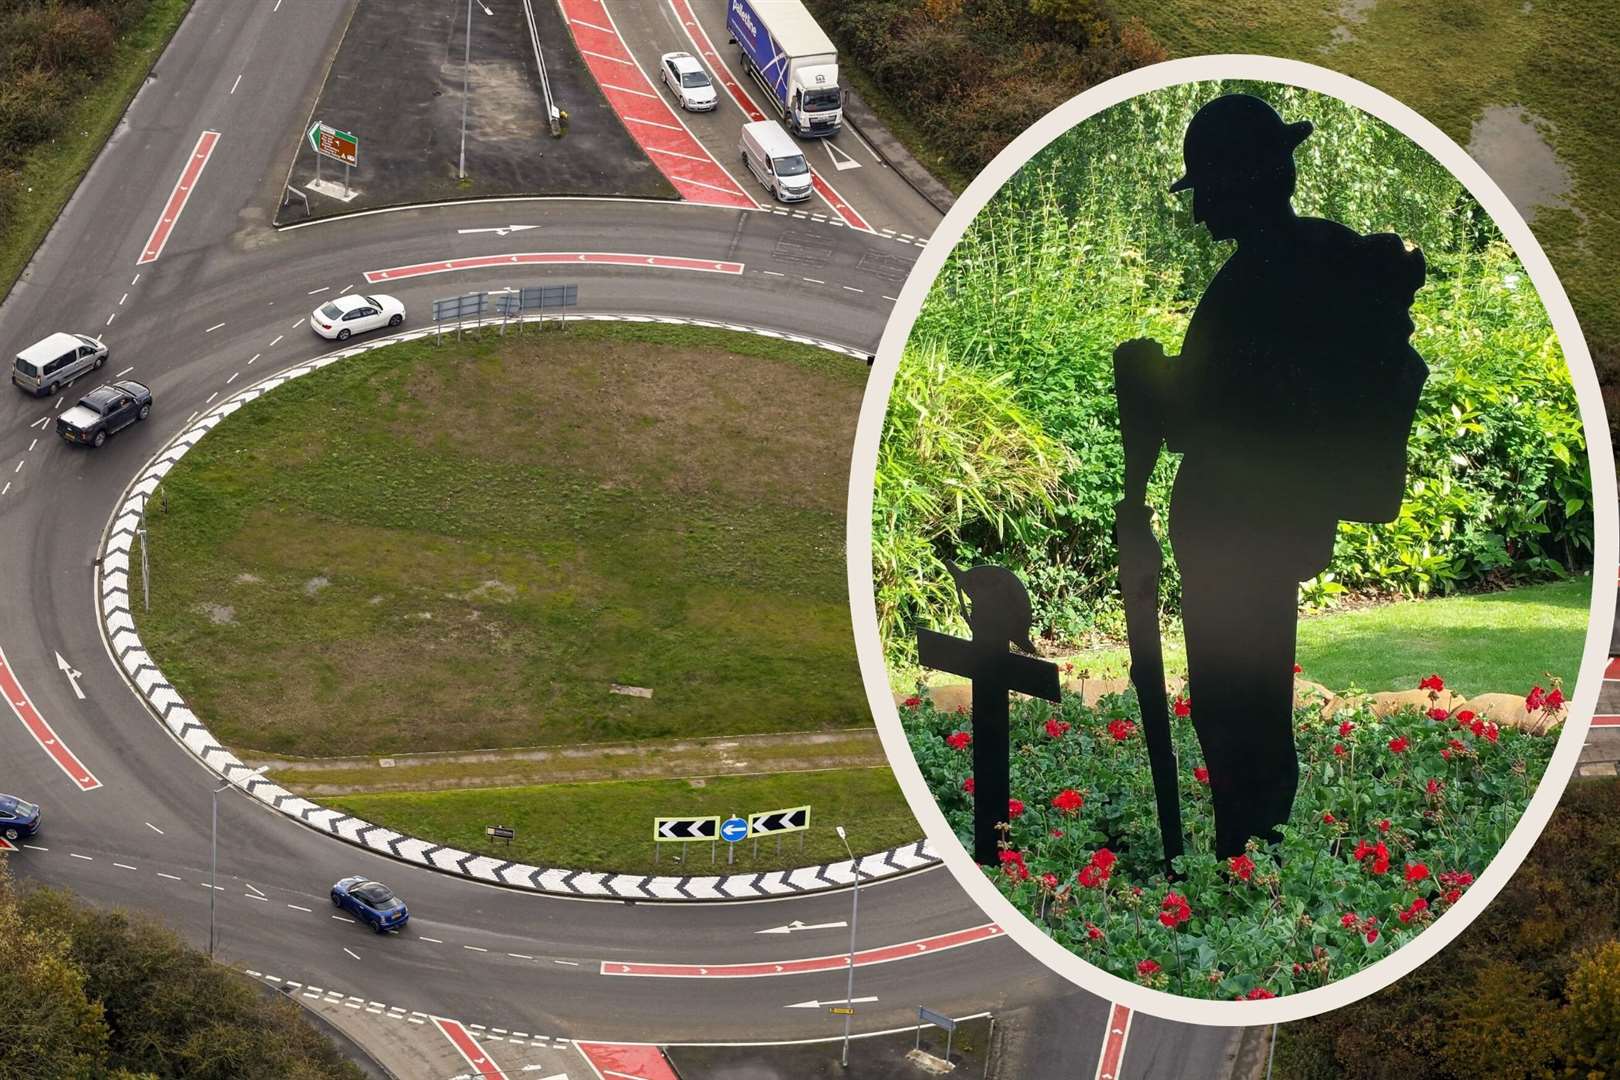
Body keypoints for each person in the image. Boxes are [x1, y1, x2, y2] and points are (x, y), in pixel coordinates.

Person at [1114, 93, 1429, 860]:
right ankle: (1255, 840)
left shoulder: (1255, 283)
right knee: (1255, 696)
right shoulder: (1322, 256)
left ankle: (1245, 843)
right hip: (1276, 522)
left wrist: (1147, 376)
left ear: (1241, 182)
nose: (1200, 214)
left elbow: (1205, 413)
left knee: (1232, 703)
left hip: (1231, 524)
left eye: (1208, 191)